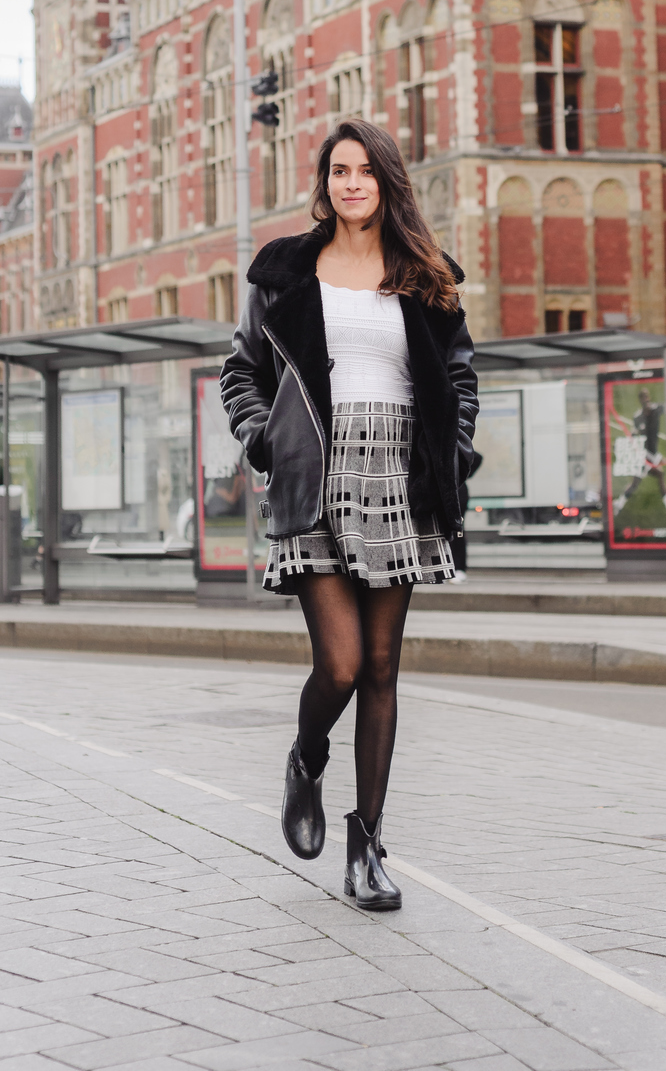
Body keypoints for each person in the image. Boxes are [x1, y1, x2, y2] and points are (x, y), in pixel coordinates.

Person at [221, 119, 478, 912]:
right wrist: (264, 439)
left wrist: (456, 449)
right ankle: (305, 759)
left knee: (382, 668)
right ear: (324, 182)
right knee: (339, 664)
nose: (352, 183)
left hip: (403, 479)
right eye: (339, 170)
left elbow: (462, 377)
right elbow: (241, 373)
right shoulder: (285, 273)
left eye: (366, 170)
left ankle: (367, 843)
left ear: (386, 181)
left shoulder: (426, 275)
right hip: (315, 476)